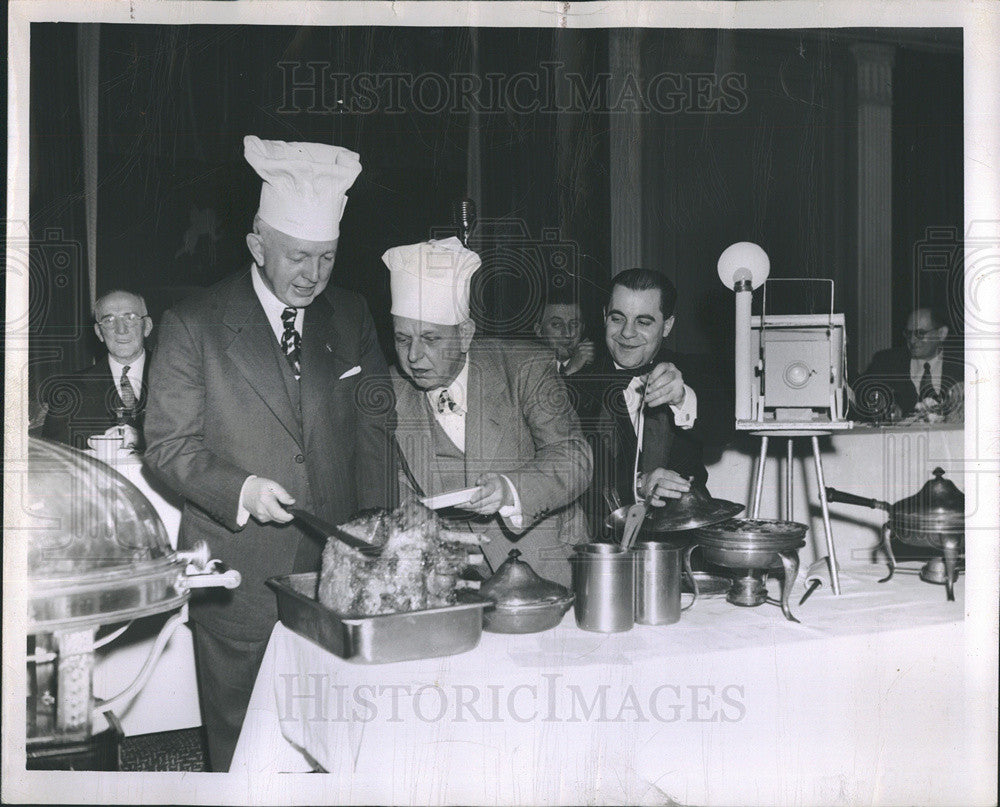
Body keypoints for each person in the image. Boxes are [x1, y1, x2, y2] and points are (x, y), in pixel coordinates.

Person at [143, 136, 397, 771]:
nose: (312, 275)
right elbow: (168, 447)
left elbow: (375, 434)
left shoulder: (352, 315)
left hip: (334, 574)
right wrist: (242, 489)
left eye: (327, 259)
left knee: (333, 744)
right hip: (239, 573)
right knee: (243, 748)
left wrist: (375, 536)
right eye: (297, 257)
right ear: (258, 246)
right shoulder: (192, 324)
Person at [385, 238, 592, 587]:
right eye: (403, 340)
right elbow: (396, 480)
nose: (415, 357)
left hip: (548, 569)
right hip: (457, 582)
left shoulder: (524, 367)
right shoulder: (391, 389)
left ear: (465, 334)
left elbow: (575, 457)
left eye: (431, 339)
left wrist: (512, 490)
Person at [570, 268, 733, 524]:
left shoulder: (694, 371)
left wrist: (682, 399)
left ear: (667, 326)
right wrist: (636, 485)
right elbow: (567, 476)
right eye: (617, 318)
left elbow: (721, 431)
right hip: (605, 542)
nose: (627, 332)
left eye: (643, 322)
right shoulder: (573, 389)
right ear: (604, 317)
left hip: (685, 538)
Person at [41, 290, 152, 450]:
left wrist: (143, 439)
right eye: (109, 320)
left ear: (147, 326)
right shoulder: (69, 390)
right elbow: (55, 458)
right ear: (99, 332)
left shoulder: (180, 378)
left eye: (130, 318)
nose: (121, 329)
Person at [853, 307, 964, 422]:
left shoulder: (962, 366)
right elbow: (862, 394)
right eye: (908, 333)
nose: (912, 340)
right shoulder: (886, 362)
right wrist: (885, 406)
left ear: (941, 333)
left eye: (920, 333)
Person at [533, 289, 595, 376]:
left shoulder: (597, 370)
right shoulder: (526, 369)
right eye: (556, 324)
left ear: (583, 328)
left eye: (574, 324)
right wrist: (569, 371)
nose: (567, 334)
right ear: (538, 330)